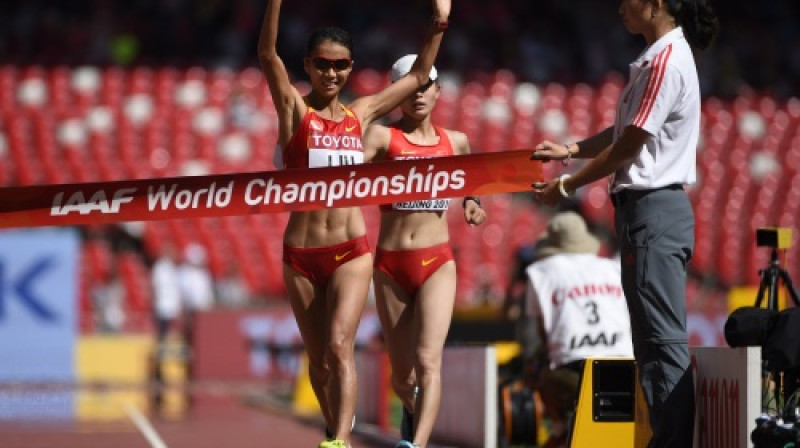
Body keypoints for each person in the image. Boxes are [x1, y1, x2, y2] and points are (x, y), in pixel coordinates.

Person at [257, 2, 451, 447]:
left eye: (341, 65)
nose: (331, 73)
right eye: (322, 64)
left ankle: (340, 441)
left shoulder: (359, 115)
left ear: (350, 68)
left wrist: (439, 22)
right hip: (302, 255)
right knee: (319, 360)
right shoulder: (295, 112)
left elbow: (419, 77)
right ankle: (333, 427)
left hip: (351, 251)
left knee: (341, 345)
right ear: (308, 64)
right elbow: (268, 56)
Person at [531, 1, 719, 446]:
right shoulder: (657, 58)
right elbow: (625, 132)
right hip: (644, 212)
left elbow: (630, 145)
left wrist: (566, 185)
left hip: (653, 209)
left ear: (655, 4)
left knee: (661, 339)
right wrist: (571, 150)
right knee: (650, 341)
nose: (619, 7)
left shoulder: (667, 61)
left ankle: (671, 441)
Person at [362, 54, 487, 448]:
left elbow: (474, 181)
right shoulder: (382, 138)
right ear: (396, 95)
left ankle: (415, 445)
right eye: (409, 89)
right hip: (391, 265)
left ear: (438, 92)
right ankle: (412, 412)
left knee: (429, 361)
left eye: (424, 87)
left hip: (437, 262)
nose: (418, 96)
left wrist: (471, 201)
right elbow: (342, 175)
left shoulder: (457, 142)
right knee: (404, 377)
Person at [523, 211, 633, 447]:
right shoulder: (613, 268)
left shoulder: (541, 272)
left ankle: (561, 430)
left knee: (539, 368)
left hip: (572, 372)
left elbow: (543, 333)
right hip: (625, 368)